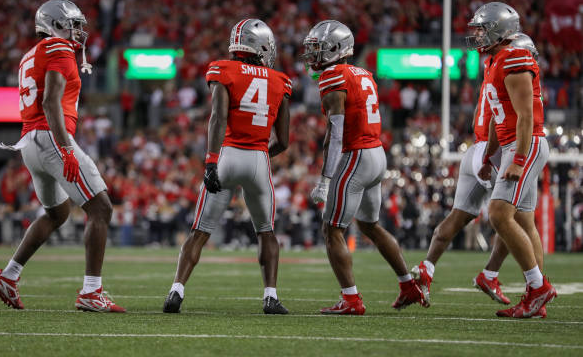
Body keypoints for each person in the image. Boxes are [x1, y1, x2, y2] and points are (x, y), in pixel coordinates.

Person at [0, 0, 125, 312]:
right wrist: (66, 149)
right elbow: (51, 102)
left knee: (57, 213)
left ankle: (9, 276)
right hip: (49, 138)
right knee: (101, 207)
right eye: (73, 24)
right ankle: (92, 292)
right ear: (55, 24)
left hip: (30, 141)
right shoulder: (58, 49)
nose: (79, 31)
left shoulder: (30, 55)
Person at [411, 31, 547, 316]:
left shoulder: (498, 65)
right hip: (503, 147)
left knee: (477, 215)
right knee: (519, 221)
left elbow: (484, 119)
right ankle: (525, 285)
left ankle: (429, 267)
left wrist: (494, 156)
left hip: (486, 147)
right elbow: (511, 119)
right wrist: (501, 157)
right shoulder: (506, 63)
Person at [163, 19, 291, 314]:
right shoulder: (280, 80)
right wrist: (258, 160)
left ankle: (176, 291)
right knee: (266, 232)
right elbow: (283, 141)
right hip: (258, 157)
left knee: (199, 231)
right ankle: (270, 296)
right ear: (260, 46)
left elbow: (218, 118)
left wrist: (210, 162)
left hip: (227, 156)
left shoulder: (223, 69)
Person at [303, 20, 427, 315]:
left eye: (318, 49)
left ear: (336, 49)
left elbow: (335, 133)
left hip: (356, 155)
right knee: (370, 225)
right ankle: (408, 284)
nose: (313, 56)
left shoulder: (333, 76)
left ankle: (351, 299)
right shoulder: (363, 73)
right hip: (376, 153)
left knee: (331, 228)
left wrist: (325, 178)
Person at [472, 2, 556, 318]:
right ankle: (535, 298)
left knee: (498, 213)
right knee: (521, 220)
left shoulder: (514, 57)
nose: (477, 35)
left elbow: (525, 117)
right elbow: (498, 117)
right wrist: (490, 154)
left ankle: (538, 288)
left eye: (482, 28)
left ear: (499, 29)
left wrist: (518, 159)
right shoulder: (495, 61)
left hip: (526, 143)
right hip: (511, 144)